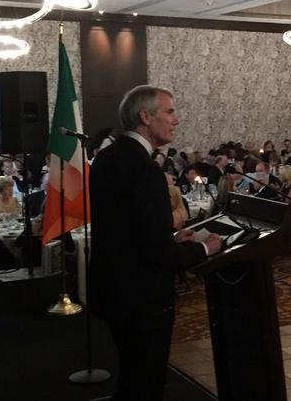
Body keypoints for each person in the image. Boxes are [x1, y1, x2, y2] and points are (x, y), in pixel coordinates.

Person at [89, 85, 222, 401]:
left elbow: (125, 229)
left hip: (112, 289)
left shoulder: (106, 157)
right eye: (170, 111)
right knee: (145, 383)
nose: (176, 119)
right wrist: (204, 248)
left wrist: (171, 236)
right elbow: (155, 252)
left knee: (132, 376)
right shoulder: (144, 169)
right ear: (145, 117)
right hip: (142, 298)